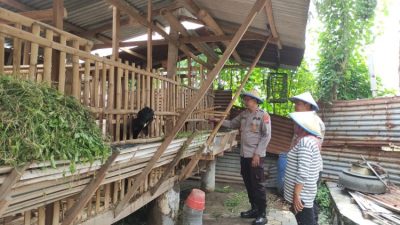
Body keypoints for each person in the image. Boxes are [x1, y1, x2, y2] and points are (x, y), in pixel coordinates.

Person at [209, 89, 271, 225]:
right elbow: (231, 124)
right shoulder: (244, 115)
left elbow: (266, 136)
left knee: (258, 185)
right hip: (244, 155)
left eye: (248, 99)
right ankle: (254, 209)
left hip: (256, 156)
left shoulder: (263, 115)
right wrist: (217, 120)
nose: (245, 101)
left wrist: (257, 154)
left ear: (255, 101)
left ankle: (262, 214)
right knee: (249, 183)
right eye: (245, 99)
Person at [284, 111, 323, 225]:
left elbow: (303, 172)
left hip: (302, 195)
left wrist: (296, 195)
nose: (293, 125)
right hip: (303, 193)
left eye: (295, 123)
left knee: (306, 222)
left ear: (301, 126)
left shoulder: (305, 142)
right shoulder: (308, 140)